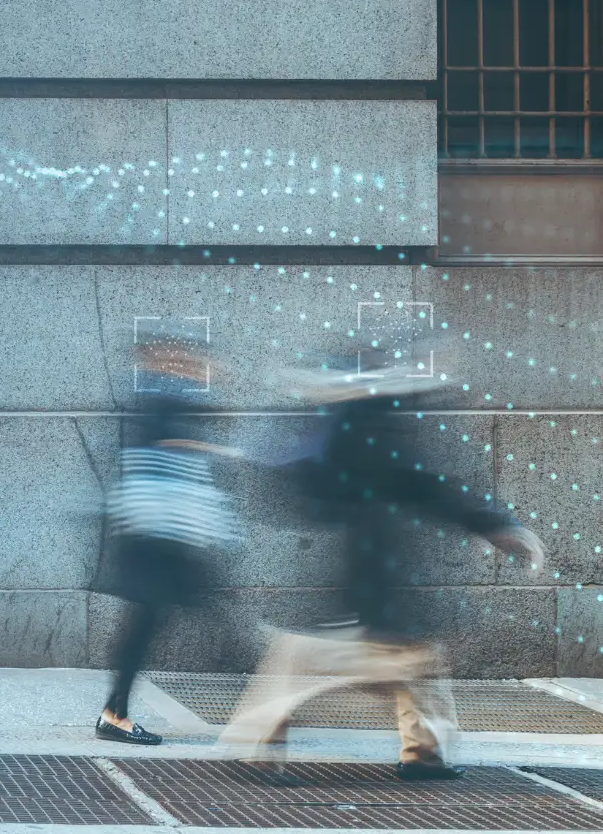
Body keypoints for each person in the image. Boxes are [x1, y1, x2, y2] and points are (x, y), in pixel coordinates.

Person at [220, 350, 544, 780]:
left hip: (358, 574)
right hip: (367, 576)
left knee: (402, 662)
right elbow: (427, 487)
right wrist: (494, 524)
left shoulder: (339, 427)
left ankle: (419, 754)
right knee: (378, 660)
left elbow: (404, 487)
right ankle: (268, 744)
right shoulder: (370, 428)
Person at [95, 330, 240, 745]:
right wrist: (211, 449)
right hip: (153, 538)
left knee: (159, 619)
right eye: (187, 361)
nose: (195, 367)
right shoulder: (161, 401)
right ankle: (114, 714)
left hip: (163, 537)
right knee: (147, 623)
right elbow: (164, 444)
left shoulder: (170, 398)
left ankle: (115, 711)